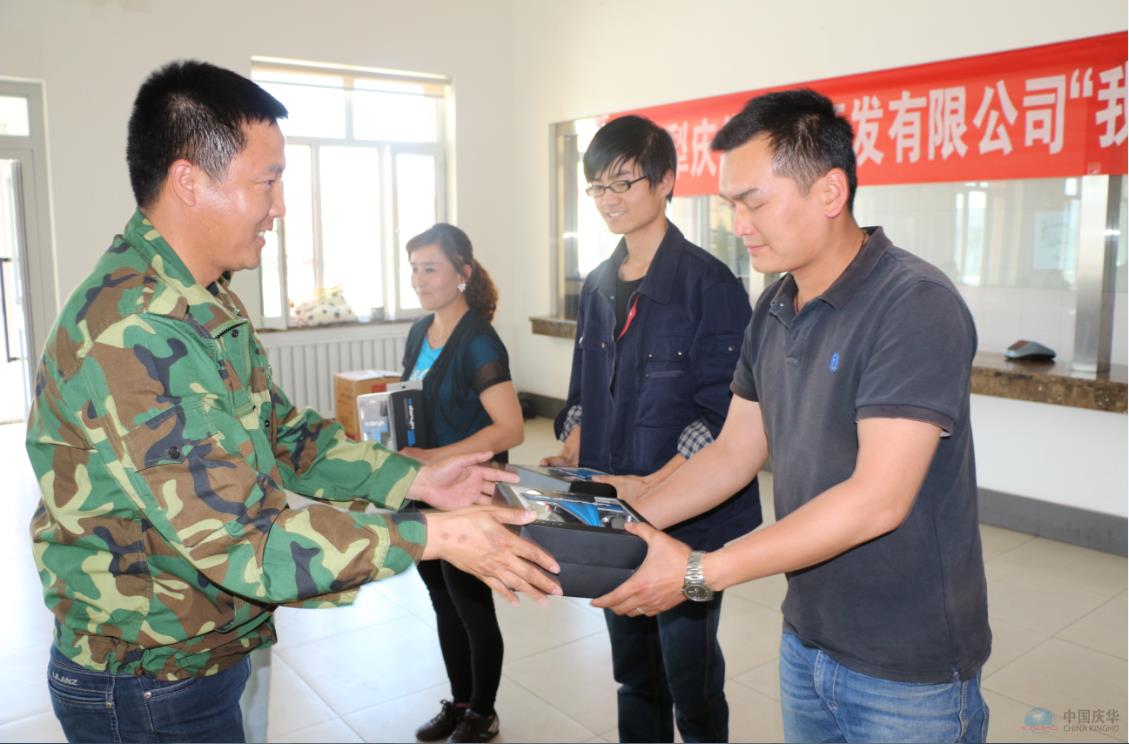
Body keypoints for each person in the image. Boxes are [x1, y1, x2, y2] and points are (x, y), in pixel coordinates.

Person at [26, 60, 560, 744]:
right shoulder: (136, 329)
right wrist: (435, 535)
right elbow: (243, 541)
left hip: (201, 648)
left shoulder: (204, 299)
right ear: (189, 181)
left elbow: (282, 434)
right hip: (149, 677)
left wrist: (417, 480)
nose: (279, 207)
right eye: (268, 181)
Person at [593, 89, 991, 744]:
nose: (739, 224)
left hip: (906, 664)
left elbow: (877, 500)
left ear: (830, 192)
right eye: (731, 204)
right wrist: (622, 524)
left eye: (754, 202)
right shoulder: (775, 305)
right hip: (807, 636)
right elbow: (732, 453)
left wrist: (697, 572)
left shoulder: (912, 304)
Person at [542, 115, 761, 744]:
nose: (608, 199)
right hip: (614, 510)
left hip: (691, 517)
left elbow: (721, 416)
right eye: (597, 187)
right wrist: (574, 443)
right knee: (634, 674)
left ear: (666, 182)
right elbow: (585, 388)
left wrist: (654, 487)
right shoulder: (597, 284)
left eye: (623, 183)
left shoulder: (708, 283)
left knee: (689, 674)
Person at [397, 223, 522, 743]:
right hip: (426, 488)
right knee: (441, 599)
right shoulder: (419, 333)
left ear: (463, 273)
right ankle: (462, 702)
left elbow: (510, 427)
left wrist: (433, 456)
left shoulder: (478, 341)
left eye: (431, 268)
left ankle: (484, 713)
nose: (419, 279)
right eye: (414, 269)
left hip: (468, 492)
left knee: (470, 604)